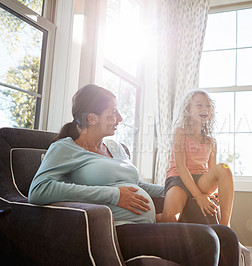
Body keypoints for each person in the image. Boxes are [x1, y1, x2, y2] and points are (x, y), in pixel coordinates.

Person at [28, 84, 239, 266]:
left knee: (227, 235)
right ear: (92, 118)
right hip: (117, 230)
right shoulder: (66, 148)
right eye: (113, 112)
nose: (120, 117)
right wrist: (113, 194)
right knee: (206, 239)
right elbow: (38, 190)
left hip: (148, 225)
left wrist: (186, 191)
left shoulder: (115, 147)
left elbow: (138, 185)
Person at [159, 90, 234, 227]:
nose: (204, 109)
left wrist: (215, 190)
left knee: (224, 168)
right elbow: (181, 167)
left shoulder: (211, 141)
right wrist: (199, 197)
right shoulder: (180, 132)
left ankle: (225, 226)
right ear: (188, 109)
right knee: (170, 218)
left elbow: (212, 170)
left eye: (208, 106)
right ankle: (149, 217)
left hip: (201, 179)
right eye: (199, 105)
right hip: (178, 178)